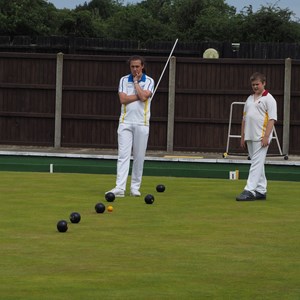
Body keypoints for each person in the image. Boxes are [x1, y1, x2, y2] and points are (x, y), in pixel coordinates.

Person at [106, 55, 155, 197]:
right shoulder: (123, 80)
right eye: (132, 67)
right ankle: (120, 188)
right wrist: (139, 95)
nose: (135, 69)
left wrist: (136, 84)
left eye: (137, 66)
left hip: (142, 123)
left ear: (142, 66)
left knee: (139, 157)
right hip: (125, 122)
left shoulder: (149, 81)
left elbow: (145, 97)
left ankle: (135, 188)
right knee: (123, 156)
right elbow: (123, 99)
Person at [236, 72, 277, 201]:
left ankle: (249, 189)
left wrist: (266, 136)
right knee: (258, 163)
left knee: (256, 163)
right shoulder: (249, 98)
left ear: (264, 83)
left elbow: (272, 119)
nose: (255, 87)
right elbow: (244, 118)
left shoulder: (269, 99)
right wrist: (242, 136)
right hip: (249, 135)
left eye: (257, 84)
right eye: (253, 85)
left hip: (261, 136)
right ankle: (261, 190)